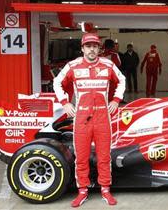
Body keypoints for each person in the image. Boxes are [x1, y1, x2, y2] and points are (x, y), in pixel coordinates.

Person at [53, 33, 125, 207]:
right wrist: (65, 103)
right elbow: (57, 82)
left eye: (95, 46)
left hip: (102, 118)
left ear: (99, 48)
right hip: (82, 119)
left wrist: (116, 100)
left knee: (104, 156)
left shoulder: (108, 65)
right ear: (82, 48)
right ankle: (82, 191)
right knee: (82, 157)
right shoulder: (73, 65)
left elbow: (122, 80)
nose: (92, 49)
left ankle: (105, 190)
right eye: (88, 46)